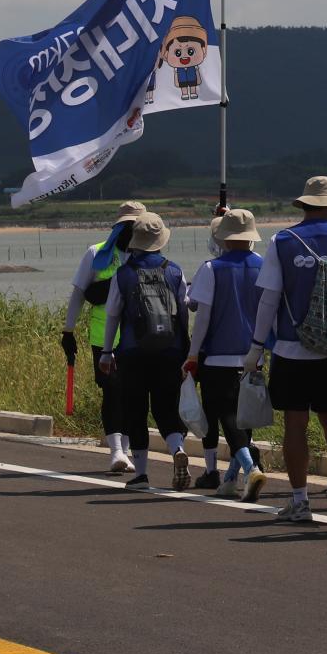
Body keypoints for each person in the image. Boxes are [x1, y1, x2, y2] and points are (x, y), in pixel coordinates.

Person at [243, 175, 327, 523]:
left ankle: (300, 501)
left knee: (295, 423)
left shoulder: (283, 241)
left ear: (304, 204)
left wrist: (257, 347)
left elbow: (269, 299)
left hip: (291, 349)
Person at [98, 213, 192, 491]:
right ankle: (177, 449)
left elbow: (112, 315)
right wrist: (185, 349)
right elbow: (184, 311)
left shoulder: (123, 274)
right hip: (170, 352)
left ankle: (141, 475)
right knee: (167, 409)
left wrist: (106, 352)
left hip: (132, 353)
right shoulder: (174, 271)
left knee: (136, 411)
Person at [184, 208, 267, 500]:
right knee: (246, 416)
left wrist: (192, 354)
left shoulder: (212, 269)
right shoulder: (263, 265)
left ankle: (250, 468)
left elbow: (202, 317)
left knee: (226, 415)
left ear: (224, 237)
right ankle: (231, 478)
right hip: (253, 354)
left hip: (218, 355)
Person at [61, 200, 145, 473]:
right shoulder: (96, 253)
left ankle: (127, 449)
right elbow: (79, 293)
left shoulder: (146, 255)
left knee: (133, 394)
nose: (133, 231)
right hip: (103, 338)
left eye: (137, 226)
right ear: (119, 227)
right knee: (112, 391)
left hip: (138, 338)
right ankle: (116, 451)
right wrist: (68, 331)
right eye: (129, 225)